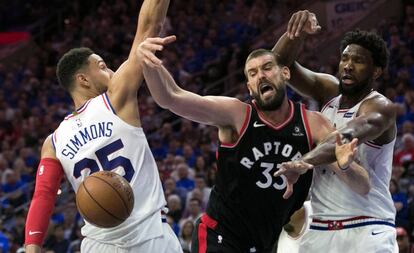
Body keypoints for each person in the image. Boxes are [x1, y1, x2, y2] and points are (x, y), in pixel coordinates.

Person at [136, 36, 369, 252]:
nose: (261, 76)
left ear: (285, 73)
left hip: (266, 243)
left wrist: (347, 166)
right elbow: (170, 97)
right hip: (221, 236)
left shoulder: (314, 124)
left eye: (267, 68)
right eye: (253, 73)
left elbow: (363, 185)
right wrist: (151, 64)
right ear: (249, 88)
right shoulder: (237, 115)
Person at [24, 1, 182, 252]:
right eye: (101, 66)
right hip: (150, 237)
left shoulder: (53, 141)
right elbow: (150, 25)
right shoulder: (117, 98)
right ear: (83, 79)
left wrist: (32, 246)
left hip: (98, 245)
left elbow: (43, 195)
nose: (110, 70)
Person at [273, 10, 398, 253]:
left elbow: (345, 137)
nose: (348, 66)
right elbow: (278, 67)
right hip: (319, 229)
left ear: (376, 71)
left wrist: (304, 162)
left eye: (359, 61)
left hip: (368, 226)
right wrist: (295, 34)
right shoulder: (328, 93)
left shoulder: (380, 108)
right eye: (344, 58)